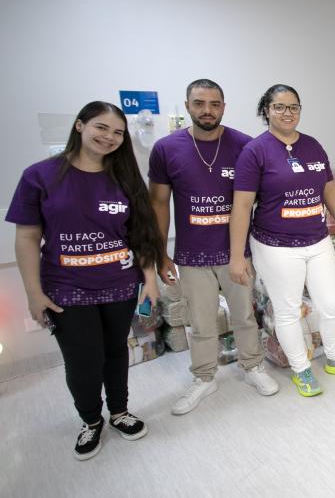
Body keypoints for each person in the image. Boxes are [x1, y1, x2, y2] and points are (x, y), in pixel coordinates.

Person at [6, 102, 162, 460]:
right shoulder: (40, 176)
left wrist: (149, 279)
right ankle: (91, 420)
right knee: (83, 360)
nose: (109, 137)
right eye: (101, 128)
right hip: (66, 289)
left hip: (119, 285)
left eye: (118, 132)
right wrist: (34, 294)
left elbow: (140, 233)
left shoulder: (124, 178)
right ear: (79, 126)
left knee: (115, 353)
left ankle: (120, 412)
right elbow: (27, 237)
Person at [149, 79, 278, 415]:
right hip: (192, 256)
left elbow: (263, 198)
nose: (207, 110)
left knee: (245, 316)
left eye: (214, 104)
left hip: (236, 253)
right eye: (199, 103)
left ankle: (252, 367)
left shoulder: (245, 146)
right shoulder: (166, 149)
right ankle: (204, 377)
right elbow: (159, 204)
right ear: (188, 105)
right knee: (202, 322)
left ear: (224, 106)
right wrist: (160, 253)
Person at [229, 84, 335, 397]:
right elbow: (242, 206)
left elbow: (328, 189)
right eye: (279, 107)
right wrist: (238, 255)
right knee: (288, 311)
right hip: (276, 245)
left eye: (293, 107)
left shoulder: (313, 146)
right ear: (267, 111)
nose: (287, 113)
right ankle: (302, 369)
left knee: (331, 304)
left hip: (317, 240)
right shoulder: (255, 151)